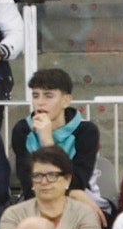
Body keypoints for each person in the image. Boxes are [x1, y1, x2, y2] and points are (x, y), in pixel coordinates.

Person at [7, 73, 102, 210]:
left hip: (82, 198)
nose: (40, 102)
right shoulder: (23, 130)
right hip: (36, 196)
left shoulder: (86, 131)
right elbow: (28, 183)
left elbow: (78, 182)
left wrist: (48, 143)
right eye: (35, 96)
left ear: (66, 100)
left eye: (48, 96)